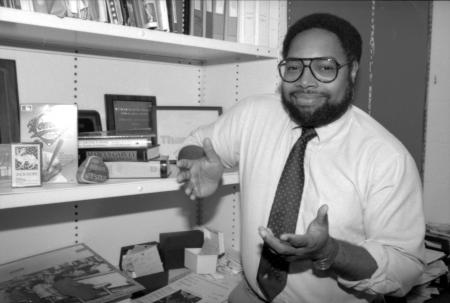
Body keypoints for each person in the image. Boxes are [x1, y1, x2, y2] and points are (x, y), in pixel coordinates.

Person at [176, 13, 425, 303]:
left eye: (324, 67)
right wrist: (197, 163)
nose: (305, 82)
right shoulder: (254, 114)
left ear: (353, 71)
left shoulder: (386, 158)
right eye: (294, 67)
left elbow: (405, 267)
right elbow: (195, 142)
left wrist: (330, 252)